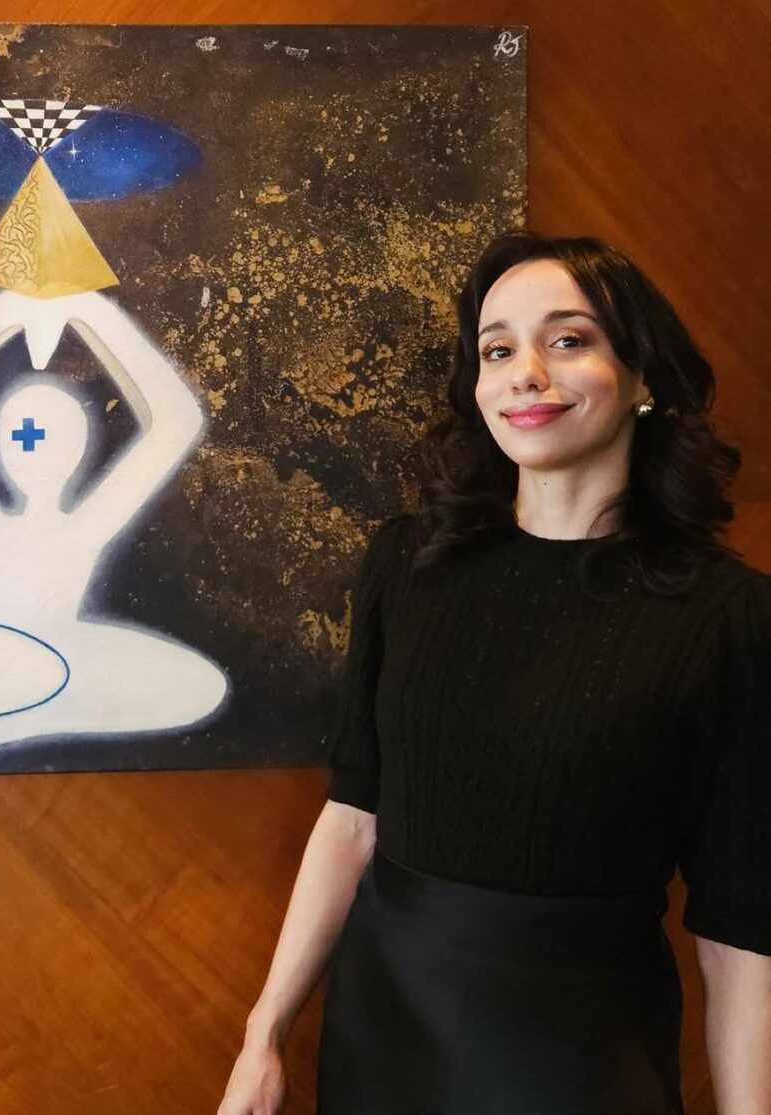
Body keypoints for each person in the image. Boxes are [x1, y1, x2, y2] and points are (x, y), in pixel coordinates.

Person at [218, 231, 771, 1114]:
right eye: (498, 350)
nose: (526, 375)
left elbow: (740, 926)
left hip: (584, 1064)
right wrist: (264, 1032)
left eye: (569, 339)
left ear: (642, 377)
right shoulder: (407, 564)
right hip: (386, 1043)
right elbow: (353, 816)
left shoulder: (728, 616)